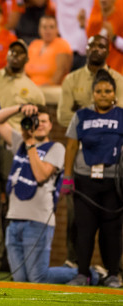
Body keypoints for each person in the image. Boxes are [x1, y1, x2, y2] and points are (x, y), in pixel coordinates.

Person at [0, 103, 96, 284]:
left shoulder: (57, 148)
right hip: (14, 220)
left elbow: (40, 175)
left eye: (44, 121)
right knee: (21, 280)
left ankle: (87, 274)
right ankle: (81, 272)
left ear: (50, 125)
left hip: (38, 221)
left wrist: (30, 144)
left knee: (37, 278)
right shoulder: (20, 142)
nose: (40, 124)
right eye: (36, 121)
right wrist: (20, 108)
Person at [0, 38, 45, 280]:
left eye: (20, 53)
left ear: (27, 59)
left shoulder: (33, 90)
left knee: (10, 204)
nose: (15, 56)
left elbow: (38, 122)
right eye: (12, 51)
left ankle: (5, 262)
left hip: (12, 146)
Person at [62, 69, 123, 288]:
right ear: (93, 93)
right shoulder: (82, 115)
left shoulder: (121, 116)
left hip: (112, 184)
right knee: (84, 230)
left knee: (112, 232)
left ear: (114, 93)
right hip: (85, 181)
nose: (104, 94)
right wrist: (67, 176)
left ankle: (113, 274)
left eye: (108, 91)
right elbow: (71, 145)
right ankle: (82, 273)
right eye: (99, 91)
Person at [57, 35, 123, 128]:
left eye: (101, 47)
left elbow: (120, 115)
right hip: (81, 139)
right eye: (91, 45)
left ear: (108, 53)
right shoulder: (71, 79)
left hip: (111, 138)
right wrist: (100, 119)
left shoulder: (119, 80)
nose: (95, 49)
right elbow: (63, 117)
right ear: (86, 50)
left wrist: (80, 113)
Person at [25, 15, 73, 86]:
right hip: (31, 88)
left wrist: (43, 88)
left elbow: (60, 72)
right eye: (44, 27)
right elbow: (24, 72)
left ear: (57, 29)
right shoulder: (34, 45)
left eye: (51, 27)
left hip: (51, 90)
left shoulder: (62, 45)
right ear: (39, 29)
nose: (48, 30)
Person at [86, 0, 123, 73]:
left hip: (118, 71)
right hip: (98, 71)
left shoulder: (121, 17)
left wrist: (114, 38)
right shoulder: (94, 20)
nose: (103, 0)